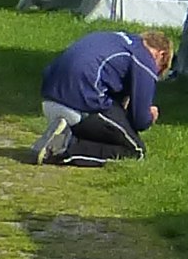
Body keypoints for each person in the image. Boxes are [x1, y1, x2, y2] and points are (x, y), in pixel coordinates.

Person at [36, 25, 170, 164]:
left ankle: (63, 135)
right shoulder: (144, 58)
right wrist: (150, 116)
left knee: (114, 125)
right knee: (136, 151)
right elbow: (140, 120)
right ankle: (63, 149)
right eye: (159, 69)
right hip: (82, 102)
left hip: (49, 98)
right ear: (161, 55)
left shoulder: (116, 39)